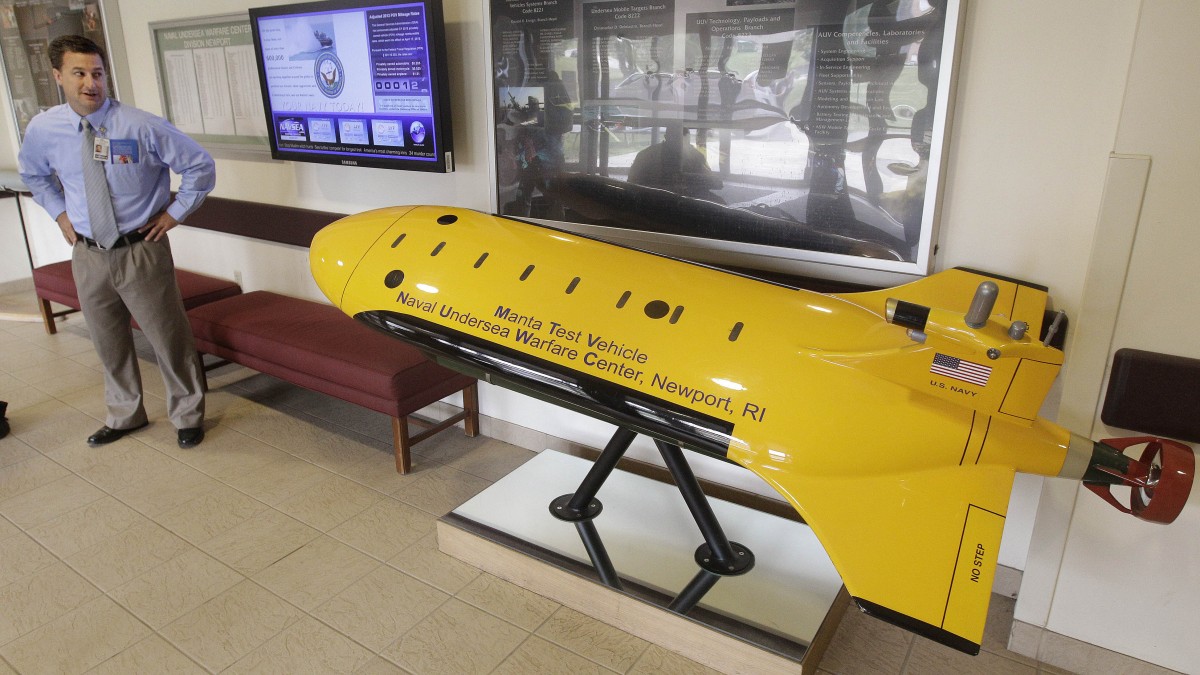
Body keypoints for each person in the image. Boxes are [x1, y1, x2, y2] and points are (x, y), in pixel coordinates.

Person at [18, 35, 215, 449]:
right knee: (107, 339)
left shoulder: (140, 125)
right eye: (79, 73)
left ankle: (187, 414)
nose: (91, 83)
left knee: (167, 338)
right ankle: (126, 415)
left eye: (98, 73)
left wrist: (174, 213)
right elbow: (34, 175)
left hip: (140, 249)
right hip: (88, 253)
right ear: (58, 76)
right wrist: (59, 213)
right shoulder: (44, 129)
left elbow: (199, 166)